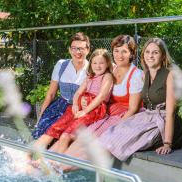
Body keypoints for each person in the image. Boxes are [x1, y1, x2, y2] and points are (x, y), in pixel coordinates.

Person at [56, 35, 144, 169]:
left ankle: (62, 167)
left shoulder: (136, 75)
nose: (119, 55)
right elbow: (96, 86)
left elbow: (133, 109)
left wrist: (117, 128)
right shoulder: (112, 68)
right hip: (107, 112)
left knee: (94, 142)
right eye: (116, 51)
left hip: (124, 115)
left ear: (132, 53)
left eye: (124, 51)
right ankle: (56, 162)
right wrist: (84, 99)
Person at [95, 37, 182, 161]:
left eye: (155, 52)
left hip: (164, 122)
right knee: (109, 134)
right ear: (143, 55)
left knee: (122, 141)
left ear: (163, 55)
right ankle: (98, 176)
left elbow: (170, 112)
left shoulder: (169, 74)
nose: (150, 56)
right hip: (148, 116)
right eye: (147, 52)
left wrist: (167, 143)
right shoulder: (145, 74)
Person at [31, 49, 114, 155]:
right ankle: (32, 153)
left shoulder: (107, 76)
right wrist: (75, 104)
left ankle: (57, 164)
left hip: (95, 110)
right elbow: (77, 94)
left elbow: (101, 96)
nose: (98, 66)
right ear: (91, 64)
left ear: (107, 63)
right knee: (55, 127)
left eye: (101, 63)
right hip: (81, 106)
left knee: (65, 135)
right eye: (95, 63)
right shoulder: (90, 77)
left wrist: (85, 111)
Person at [31, 32, 90, 139]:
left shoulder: (92, 68)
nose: (78, 52)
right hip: (59, 106)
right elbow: (51, 94)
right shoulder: (61, 65)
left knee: (63, 137)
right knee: (42, 128)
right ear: (69, 49)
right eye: (74, 48)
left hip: (78, 110)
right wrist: (40, 117)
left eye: (81, 48)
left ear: (88, 50)